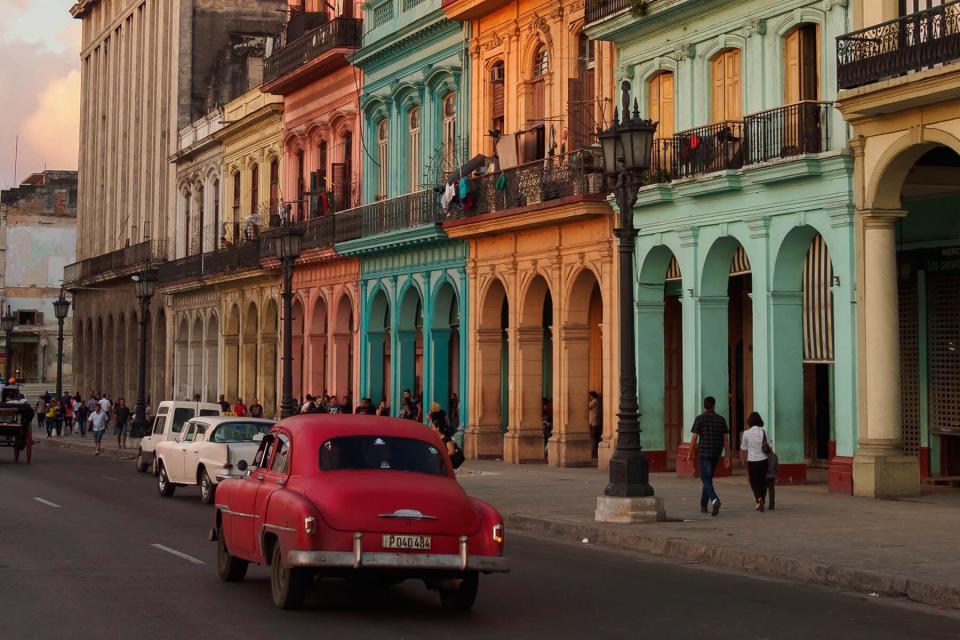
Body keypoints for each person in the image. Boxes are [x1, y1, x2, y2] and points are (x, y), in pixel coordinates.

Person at [686, 396, 732, 516]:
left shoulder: (700, 419)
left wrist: (690, 451)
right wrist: (727, 456)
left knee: (705, 478)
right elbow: (726, 440)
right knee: (708, 479)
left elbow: (695, 437)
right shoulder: (721, 419)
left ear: (704, 406)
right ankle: (703, 505)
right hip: (716, 452)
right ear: (714, 405)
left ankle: (715, 500)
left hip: (704, 452)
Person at [740, 411, 771, 511]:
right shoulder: (764, 431)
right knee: (763, 481)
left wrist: (743, 460)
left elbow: (743, 449)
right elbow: (769, 445)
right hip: (764, 460)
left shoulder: (746, 433)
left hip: (752, 461)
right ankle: (762, 499)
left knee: (754, 481)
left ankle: (758, 499)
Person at [588, 391, 602, 459]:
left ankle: (593, 453)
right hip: (595, 422)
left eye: (590, 395)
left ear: (593, 396)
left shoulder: (594, 401)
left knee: (593, 439)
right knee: (595, 439)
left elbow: (588, 406)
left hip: (594, 423)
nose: (589, 397)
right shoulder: (597, 402)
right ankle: (594, 453)